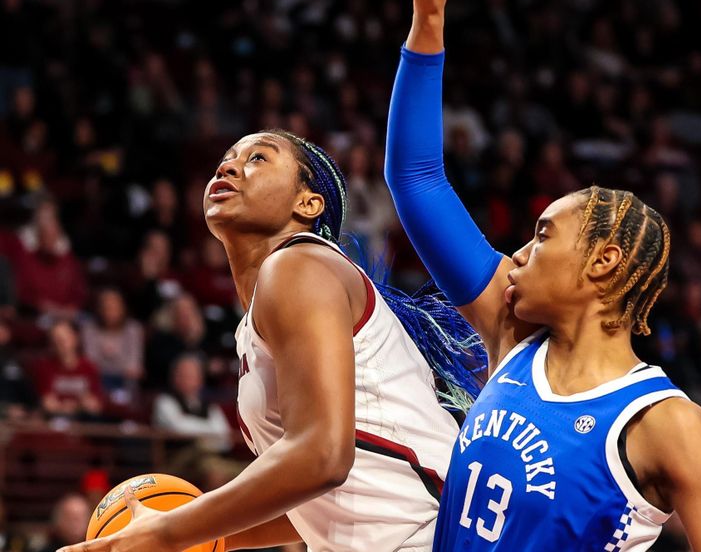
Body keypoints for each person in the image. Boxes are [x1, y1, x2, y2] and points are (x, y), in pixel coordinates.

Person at [383, 0, 701, 550]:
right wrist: (427, 25)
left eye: (543, 234)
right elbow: (416, 179)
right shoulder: (512, 340)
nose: (521, 252)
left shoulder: (668, 425)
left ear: (603, 261)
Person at [59, 126, 483, 552]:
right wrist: (203, 535)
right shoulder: (272, 303)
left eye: (258, 158)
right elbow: (318, 501)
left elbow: (322, 458)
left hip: (434, 537)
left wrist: (165, 533)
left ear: (308, 203)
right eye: (227, 158)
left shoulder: (299, 265)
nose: (229, 166)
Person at [152, 354, 231, 453]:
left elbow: (225, 437)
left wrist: (198, 433)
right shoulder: (164, 401)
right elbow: (179, 428)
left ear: (200, 379)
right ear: (174, 377)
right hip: (176, 459)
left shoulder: (210, 406)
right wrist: (210, 431)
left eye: (192, 375)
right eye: (183, 375)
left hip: (208, 456)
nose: (188, 380)